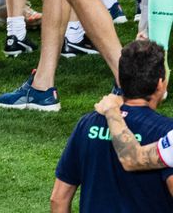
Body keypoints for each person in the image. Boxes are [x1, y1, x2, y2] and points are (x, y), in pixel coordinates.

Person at [63, 41, 173, 211]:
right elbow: (132, 158)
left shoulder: (86, 124)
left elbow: (59, 198)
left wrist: (112, 111)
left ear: (121, 80)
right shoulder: (166, 131)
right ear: (160, 83)